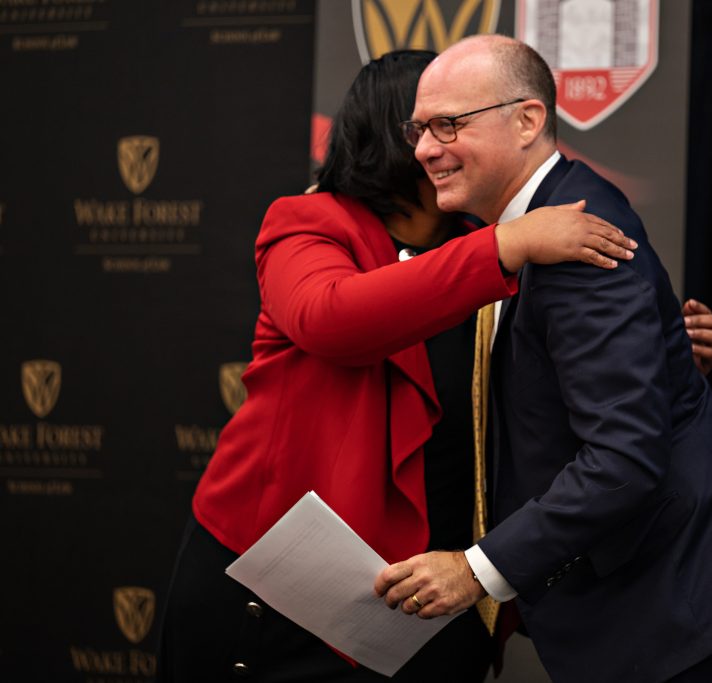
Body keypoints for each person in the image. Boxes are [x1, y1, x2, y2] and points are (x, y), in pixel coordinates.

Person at [156, 49, 639, 682]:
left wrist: (655, 346)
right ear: (395, 133)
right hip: (276, 582)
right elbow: (330, 320)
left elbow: (551, 381)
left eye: (455, 123)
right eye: (434, 125)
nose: (447, 143)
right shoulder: (310, 222)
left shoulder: (488, 234)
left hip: (434, 587)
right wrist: (503, 247)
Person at [374, 35, 712, 683]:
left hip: (670, 609)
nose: (426, 148)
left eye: (447, 125)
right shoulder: (517, 230)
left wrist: (475, 569)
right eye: (419, 128)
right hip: (640, 606)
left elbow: (623, 457)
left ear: (527, 120)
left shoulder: (578, 240)